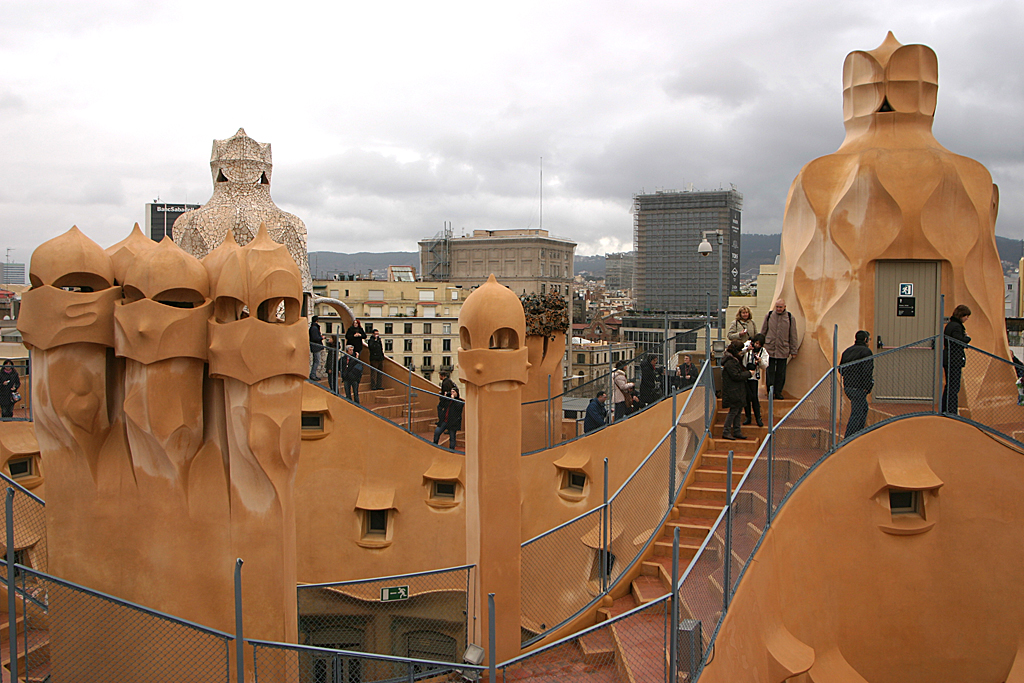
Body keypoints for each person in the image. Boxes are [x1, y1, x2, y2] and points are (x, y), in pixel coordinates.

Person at [760, 299, 799, 399]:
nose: (778, 309)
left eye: (780, 307)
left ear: (784, 307)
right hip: (770, 348)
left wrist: (794, 350)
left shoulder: (790, 318)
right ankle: (770, 391)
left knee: (781, 373)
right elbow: (763, 331)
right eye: (777, 307)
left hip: (783, 349)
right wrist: (760, 346)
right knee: (770, 371)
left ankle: (778, 392)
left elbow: (793, 335)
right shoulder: (769, 316)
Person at [839, 330, 874, 438]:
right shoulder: (866, 352)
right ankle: (849, 438)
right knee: (857, 413)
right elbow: (867, 371)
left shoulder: (847, 351)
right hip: (858, 387)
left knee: (863, 408)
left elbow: (841, 369)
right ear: (865, 339)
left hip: (848, 386)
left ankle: (858, 434)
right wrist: (867, 387)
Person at [942, 304, 971, 415]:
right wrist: (967, 338)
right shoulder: (957, 327)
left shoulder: (950, 325)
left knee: (949, 385)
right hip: (954, 359)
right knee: (954, 386)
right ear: (961, 315)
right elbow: (958, 340)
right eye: (966, 316)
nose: (967, 319)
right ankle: (951, 410)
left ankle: (945, 408)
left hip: (949, 358)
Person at [721, 341, 752, 440]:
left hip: (736, 390)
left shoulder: (732, 359)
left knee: (738, 411)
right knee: (733, 411)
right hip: (733, 390)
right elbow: (736, 376)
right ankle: (726, 431)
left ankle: (737, 431)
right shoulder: (730, 362)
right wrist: (748, 374)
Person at [742, 334, 769, 427]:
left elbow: (765, 365)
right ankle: (748, 417)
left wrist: (760, 361)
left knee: (754, 398)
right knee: (746, 397)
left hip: (754, 377)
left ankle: (758, 418)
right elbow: (739, 352)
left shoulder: (763, 351)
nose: (757, 345)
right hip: (745, 375)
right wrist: (747, 349)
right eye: (756, 343)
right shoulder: (747, 344)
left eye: (759, 344)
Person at [433, 384, 462, 450]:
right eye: (451, 392)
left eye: (453, 392)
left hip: (452, 422)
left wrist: (453, 399)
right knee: (437, 432)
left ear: (457, 393)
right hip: (444, 420)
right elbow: (441, 405)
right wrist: (444, 397)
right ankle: (434, 445)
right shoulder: (448, 400)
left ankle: (451, 450)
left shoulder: (459, 401)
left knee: (452, 437)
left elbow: (459, 408)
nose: (452, 393)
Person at [308, 315, 323, 380]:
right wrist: (321, 338)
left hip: (315, 346)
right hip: (316, 346)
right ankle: (313, 374)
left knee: (316, 361)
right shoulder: (314, 328)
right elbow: (315, 338)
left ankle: (313, 374)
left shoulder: (313, 327)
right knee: (317, 361)